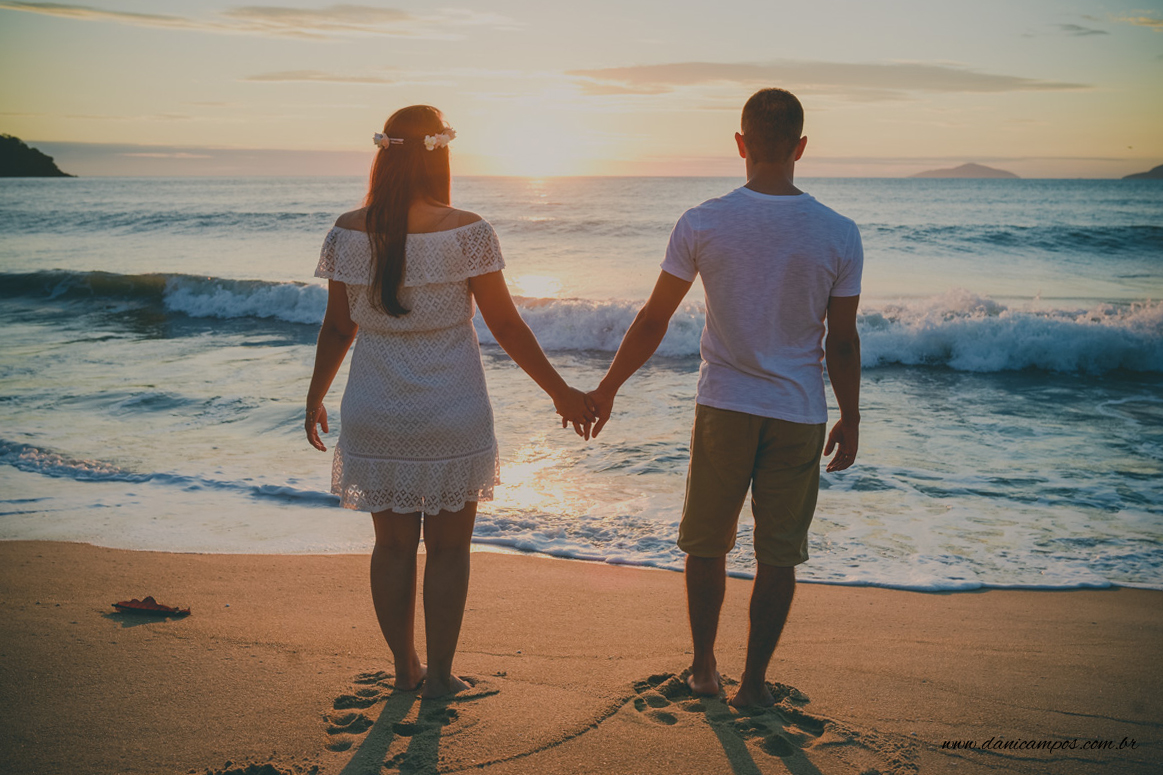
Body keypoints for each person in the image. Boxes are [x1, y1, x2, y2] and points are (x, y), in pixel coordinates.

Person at [586, 88, 862, 707]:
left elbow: (654, 319)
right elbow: (842, 342)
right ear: (801, 147)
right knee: (779, 554)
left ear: (740, 144)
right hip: (798, 412)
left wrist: (607, 387)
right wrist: (850, 414)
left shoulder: (703, 221)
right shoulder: (839, 233)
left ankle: (704, 669)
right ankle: (755, 684)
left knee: (707, 543)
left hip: (724, 406)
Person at [305, 105, 594, 698]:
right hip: (451, 408)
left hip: (374, 408)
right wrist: (561, 392)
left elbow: (337, 328)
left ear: (384, 155)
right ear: (441, 154)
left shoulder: (347, 231)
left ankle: (403, 671)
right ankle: (439, 676)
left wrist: (315, 397)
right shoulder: (468, 231)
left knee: (391, 548)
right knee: (448, 549)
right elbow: (507, 327)